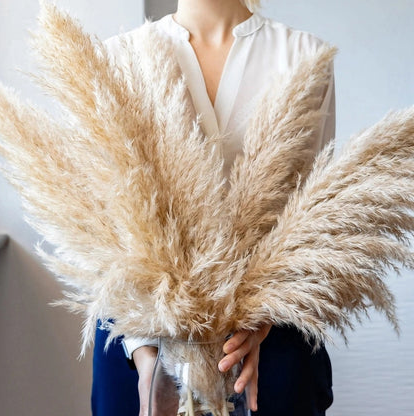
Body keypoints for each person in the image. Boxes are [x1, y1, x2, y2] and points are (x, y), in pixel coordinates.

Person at [92, 0, 336, 415]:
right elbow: (102, 224)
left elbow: (311, 217)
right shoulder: (116, 57)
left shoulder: (304, 56)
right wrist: (149, 362)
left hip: (267, 339)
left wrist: (259, 322)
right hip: (139, 334)